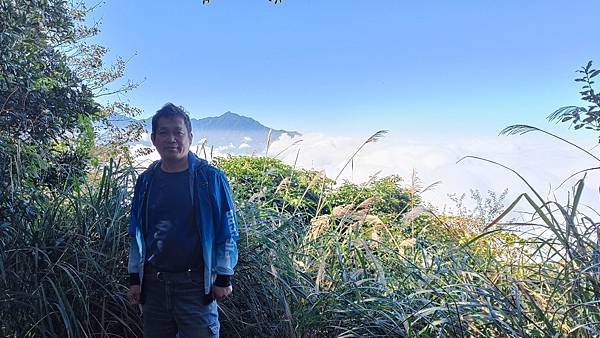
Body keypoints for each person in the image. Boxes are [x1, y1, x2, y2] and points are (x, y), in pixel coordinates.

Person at [127, 103, 239, 338]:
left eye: (178, 132)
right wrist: (135, 279)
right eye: (163, 132)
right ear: (153, 138)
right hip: (154, 285)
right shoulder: (146, 181)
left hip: (195, 286)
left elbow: (227, 230)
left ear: (190, 136)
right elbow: (137, 233)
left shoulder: (210, 179)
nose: (171, 139)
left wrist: (224, 276)